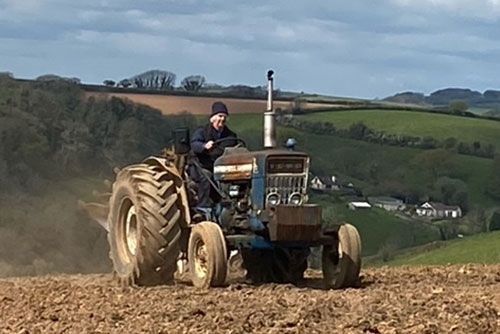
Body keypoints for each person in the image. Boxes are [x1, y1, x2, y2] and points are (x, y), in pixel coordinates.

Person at [190, 101, 237, 210]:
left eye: (225, 116)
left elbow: (235, 148)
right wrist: (204, 146)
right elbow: (194, 144)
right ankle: (203, 207)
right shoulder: (202, 131)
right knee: (207, 176)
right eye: (220, 116)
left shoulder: (231, 135)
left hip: (223, 168)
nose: (222, 119)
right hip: (202, 166)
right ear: (213, 118)